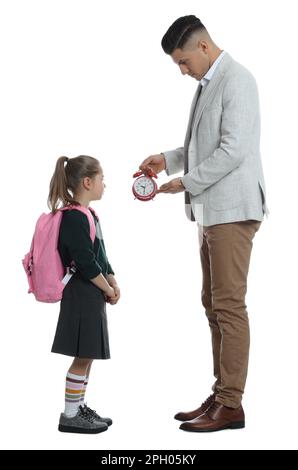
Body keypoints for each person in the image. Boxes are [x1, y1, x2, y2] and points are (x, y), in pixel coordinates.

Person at [139, 15, 269, 432]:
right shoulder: (209, 83)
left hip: (233, 211)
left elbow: (233, 150)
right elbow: (203, 143)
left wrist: (186, 182)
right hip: (211, 213)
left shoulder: (238, 80)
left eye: (182, 61)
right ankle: (221, 394)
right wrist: (168, 159)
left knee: (229, 307)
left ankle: (231, 404)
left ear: (203, 48)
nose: (182, 70)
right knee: (212, 305)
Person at [48, 155, 120, 434]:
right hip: (80, 293)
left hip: (92, 292)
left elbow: (100, 255)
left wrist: (112, 280)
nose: (105, 184)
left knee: (87, 354)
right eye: (102, 179)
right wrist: (107, 287)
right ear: (87, 182)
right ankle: (70, 414)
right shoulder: (73, 217)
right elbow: (85, 262)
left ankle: (78, 407)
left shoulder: (90, 215)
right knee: (82, 356)